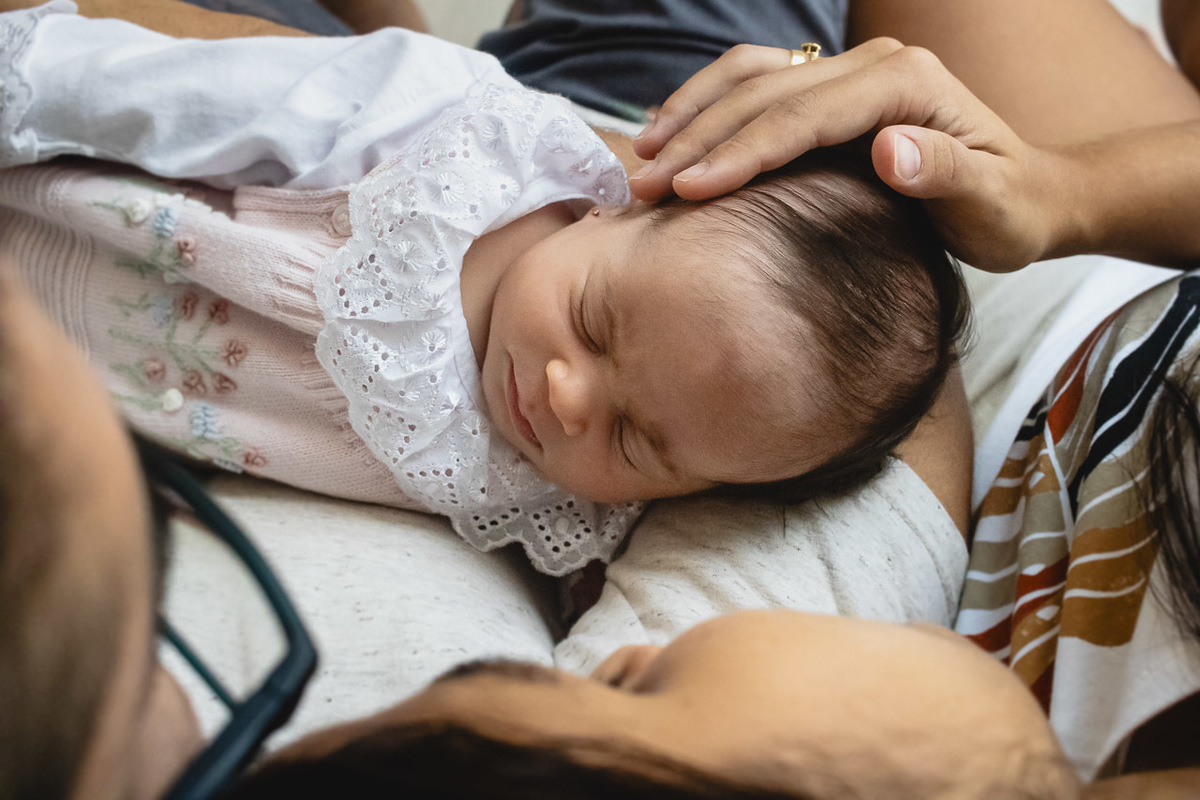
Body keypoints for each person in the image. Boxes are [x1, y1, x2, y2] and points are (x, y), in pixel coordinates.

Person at [0, 3, 966, 576]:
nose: (566, 396)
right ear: (624, 197)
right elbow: (179, 94)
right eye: (596, 323)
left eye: (638, 442)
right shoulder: (442, 139)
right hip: (47, 189)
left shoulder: (564, 514)